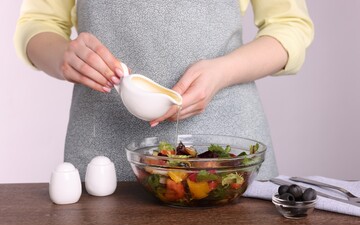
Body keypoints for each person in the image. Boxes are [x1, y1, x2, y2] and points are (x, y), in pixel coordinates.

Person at [14, 0, 314, 181]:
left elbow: (289, 26)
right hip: (102, 151)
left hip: (225, 150)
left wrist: (222, 73)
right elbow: (38, 23)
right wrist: (63, 57)